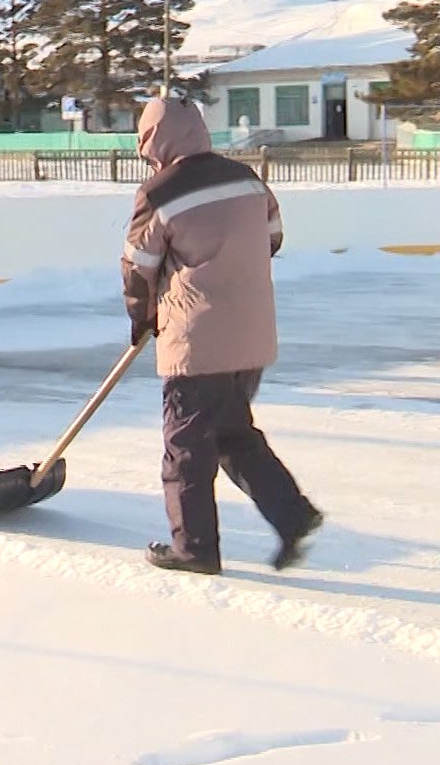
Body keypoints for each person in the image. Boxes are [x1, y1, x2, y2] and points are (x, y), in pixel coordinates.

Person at [122, 95, 322, 574]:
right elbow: (272, 237)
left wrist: (142, 316)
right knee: (231, 432)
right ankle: (293, 515)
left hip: (198, 340)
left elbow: (138, 268)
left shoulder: (159, 192)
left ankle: (194, 549)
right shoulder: (249, 179)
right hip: (252, 333)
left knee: (187, 448)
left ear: (155, 138)